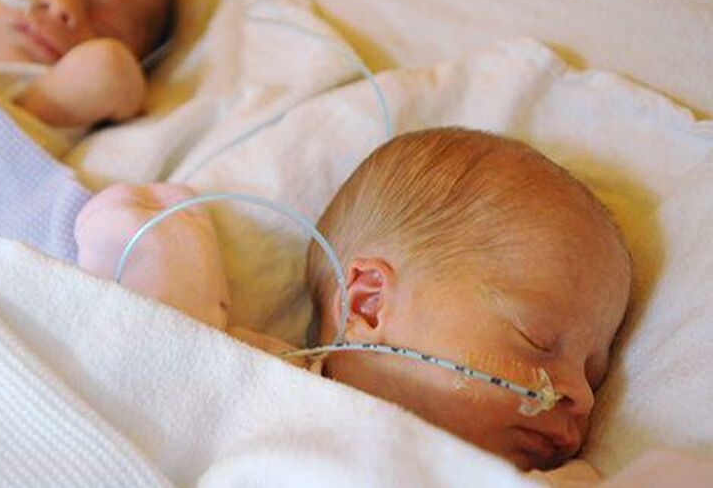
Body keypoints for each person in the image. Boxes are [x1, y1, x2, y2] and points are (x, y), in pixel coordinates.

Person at [74, 127, 632, 472]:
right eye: (536, 341)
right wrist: (159, 250)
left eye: (593, 373)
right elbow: (146, 373)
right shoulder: (253, 377)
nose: (580, 398)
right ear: (367, 305)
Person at [0, 0, 174, 136]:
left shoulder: (57, 104)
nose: (61, 5)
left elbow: (111, 70)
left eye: (103, 24)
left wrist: (32, 109)